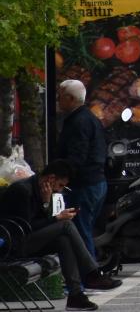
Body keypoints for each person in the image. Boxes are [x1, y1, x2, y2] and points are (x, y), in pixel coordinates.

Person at [0, 160, 120, 311]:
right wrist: (56, 218)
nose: (60, 190)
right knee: (66, 225)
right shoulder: (22, 190)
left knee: (63, 240)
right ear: (51, 179)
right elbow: (26, 227)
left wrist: (45, 203)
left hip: (27, 240)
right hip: (14, 244)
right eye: (61, 185)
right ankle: (92, 274)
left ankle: (76, 295)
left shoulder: (39, 190)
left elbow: (37, 222)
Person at [54, 80, 107, 258]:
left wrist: (59, 177)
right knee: (84, 230)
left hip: (84, 185)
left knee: (80, 233)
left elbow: (77, 157)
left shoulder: (79, 122)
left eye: (59, 96)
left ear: (70, 98)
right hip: (96, 182)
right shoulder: (90, 118)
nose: (57, 100)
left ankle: (87, 274)